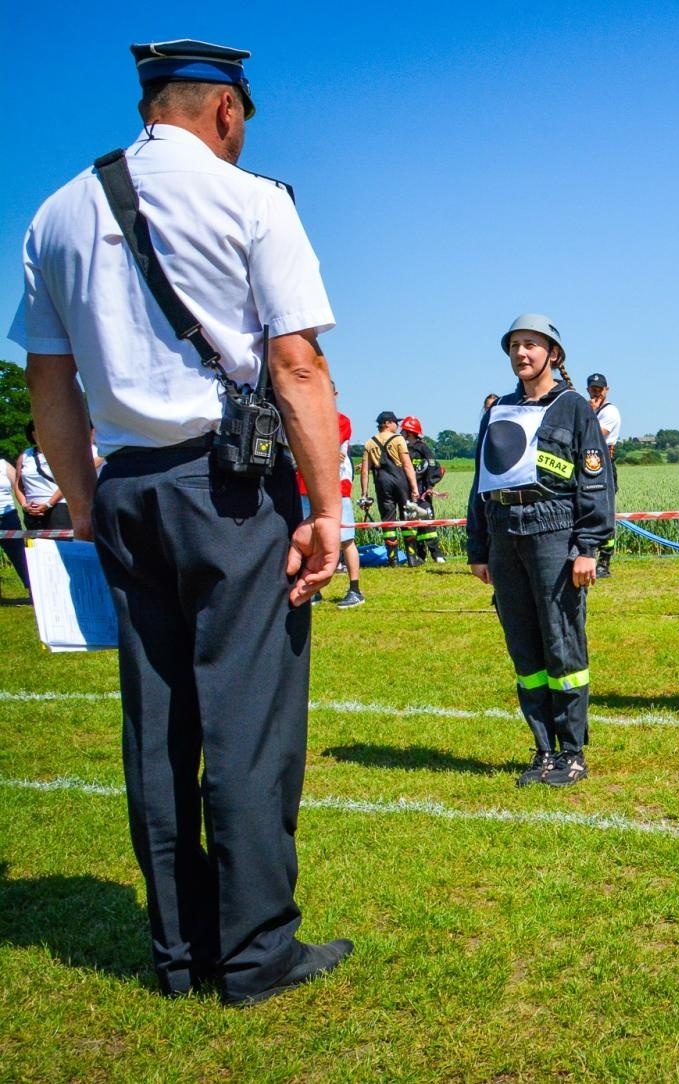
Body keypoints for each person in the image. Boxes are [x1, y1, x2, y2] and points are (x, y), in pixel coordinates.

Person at [8, 38, 351, 1005]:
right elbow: (296, 369)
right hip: (231, 488)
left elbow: (51, 388)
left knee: (157, 732)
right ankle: (253, 955)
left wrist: (84, 507)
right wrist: (327, 512)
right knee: (245, 724)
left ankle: (177, 954)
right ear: (227, 113)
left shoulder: (57, 213)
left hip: (124, 486)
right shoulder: (253, 202)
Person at [467, 313, 613, 787]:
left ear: (553, 353)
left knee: (561, 639)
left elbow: (595, 481)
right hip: (504, 531)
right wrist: (479, 546)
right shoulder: (497, 411)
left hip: (554, 531)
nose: (522, 353)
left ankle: (572, 750)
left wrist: (588, 546)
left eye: (531, 344)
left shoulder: (574, 407)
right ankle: (544, 748)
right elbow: (480, 484)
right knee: (524, 644)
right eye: (514, 346)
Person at [300, 383, 363, 606]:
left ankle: (355, 589)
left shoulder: (341, 420)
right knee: (310, 540)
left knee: (345, 539)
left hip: (336, 487)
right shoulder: (301, 418)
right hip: (304, 486)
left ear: (335, 394)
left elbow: (333, 452)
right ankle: (313, 589)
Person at [360, 411, 419, 565]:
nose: (397, 426)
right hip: (400, 480)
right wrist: (414, 488)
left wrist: (364, 493)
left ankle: (392, 559)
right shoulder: (399, 439)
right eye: (395, 422)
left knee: (388, 520)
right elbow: (407, 465)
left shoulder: (369, 442)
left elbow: (365, 470)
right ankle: (412, 557)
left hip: (381, 482)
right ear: (387, 423)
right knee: (408, 516)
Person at [586, 373, 621, 578]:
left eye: (600, 388)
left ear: (606, 390)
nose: (596, 391)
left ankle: (604, 562)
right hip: (587, 465)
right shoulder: (588, 410)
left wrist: (588, 414)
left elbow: (595, 435)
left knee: (605, 513)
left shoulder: (610, 411)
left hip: (604, 465)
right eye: (593, 388)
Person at [400, 415, 446, 564]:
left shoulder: (423, 448)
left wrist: (430, 486)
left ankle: (436, 554)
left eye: (404, 430)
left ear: (409, 432)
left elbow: (434, 467)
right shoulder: (402, 449)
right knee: (411, 524)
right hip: (407, 492)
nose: (402, 433)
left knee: (428, 520)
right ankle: (418, 555)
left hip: (423, 492)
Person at [15, 422, 71, 532]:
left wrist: (48, 504)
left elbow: (67, 483)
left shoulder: (61, 453)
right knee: (36, 548)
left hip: (58, 509)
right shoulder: (25, 455)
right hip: (32, 511)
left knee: (59, 547)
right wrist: (24, 504)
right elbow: (18, 484)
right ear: (32, 434)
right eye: (37, 432)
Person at [0, 456, 30, 593]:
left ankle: (33, 588)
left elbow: (19, 485)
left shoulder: (3, 464)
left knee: (20, 557)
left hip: (8, 516)